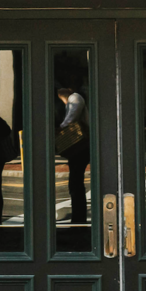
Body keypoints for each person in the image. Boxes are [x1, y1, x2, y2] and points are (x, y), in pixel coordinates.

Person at [55, 86, 89, 224]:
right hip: (81, 147)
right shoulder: (74, 98)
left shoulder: (75, 98)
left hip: (80, 146)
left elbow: (71, 118)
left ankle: (78, 220)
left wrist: (60, 128)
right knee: (75, 183)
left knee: (75, 184)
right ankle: (78, 219)